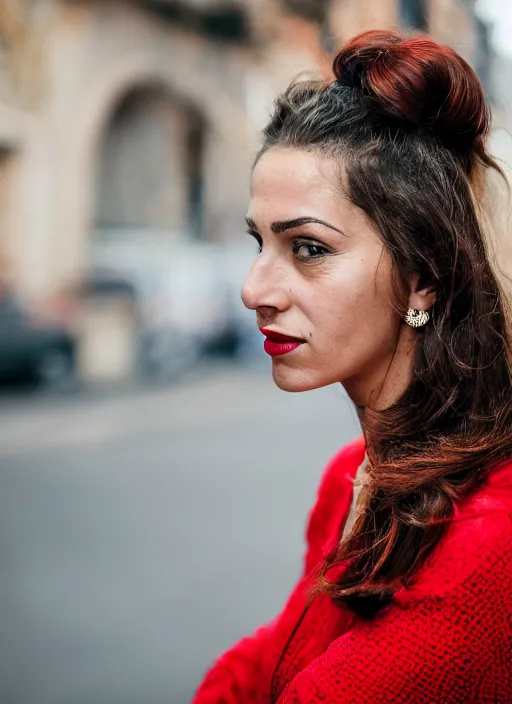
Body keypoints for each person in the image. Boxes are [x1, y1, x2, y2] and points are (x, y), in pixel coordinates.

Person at [192, 29, 512, 703]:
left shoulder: (490, 543)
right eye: (260, 243)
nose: (255, 290)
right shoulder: (351, 479)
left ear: (424, 276)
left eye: (307, 248)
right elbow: (264, 663)